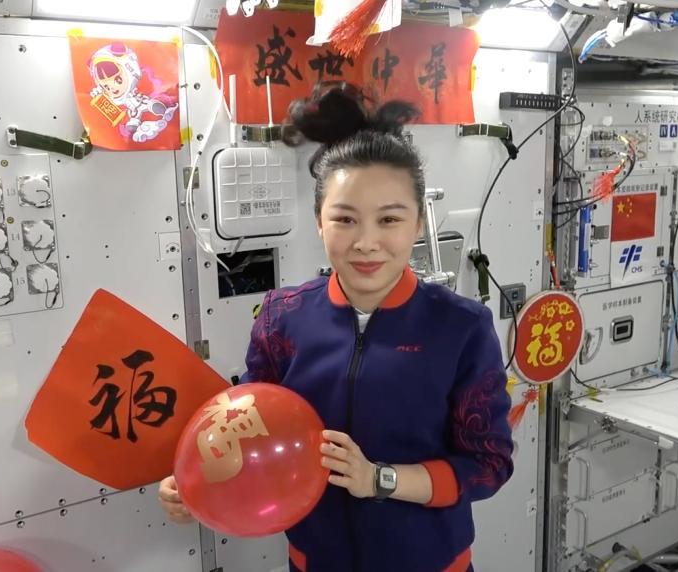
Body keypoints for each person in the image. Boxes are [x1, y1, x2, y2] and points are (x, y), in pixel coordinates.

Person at [159, 82, 514, 572]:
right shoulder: (283, 317)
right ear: (319, 222)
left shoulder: (461, 327)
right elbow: (249, 429)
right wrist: (194, 484)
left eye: (389, 220)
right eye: (345, 220)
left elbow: (488, 465)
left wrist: (379, 479)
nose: (366, 242)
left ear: (417, 223)